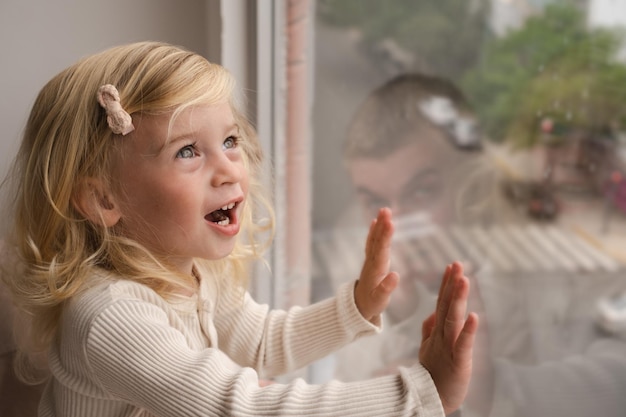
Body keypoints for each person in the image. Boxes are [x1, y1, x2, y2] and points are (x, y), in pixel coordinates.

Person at [0, 41, 479, 416]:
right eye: (188, 151)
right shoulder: (110, 318)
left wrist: (354, 307)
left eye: (229, 140)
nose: (229, 168)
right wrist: (417, 393)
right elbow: (240, 408)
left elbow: (263, 342)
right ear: (104, 199)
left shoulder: (193, 274)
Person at [316, 73, 626, 416]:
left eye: (422, 191)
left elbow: (614, 379)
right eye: (373, 200)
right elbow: (356, 387)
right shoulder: (358, 241)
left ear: (471, 184)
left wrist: (493, 388)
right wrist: (394, 313)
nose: (399, 227)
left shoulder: (537, 243)